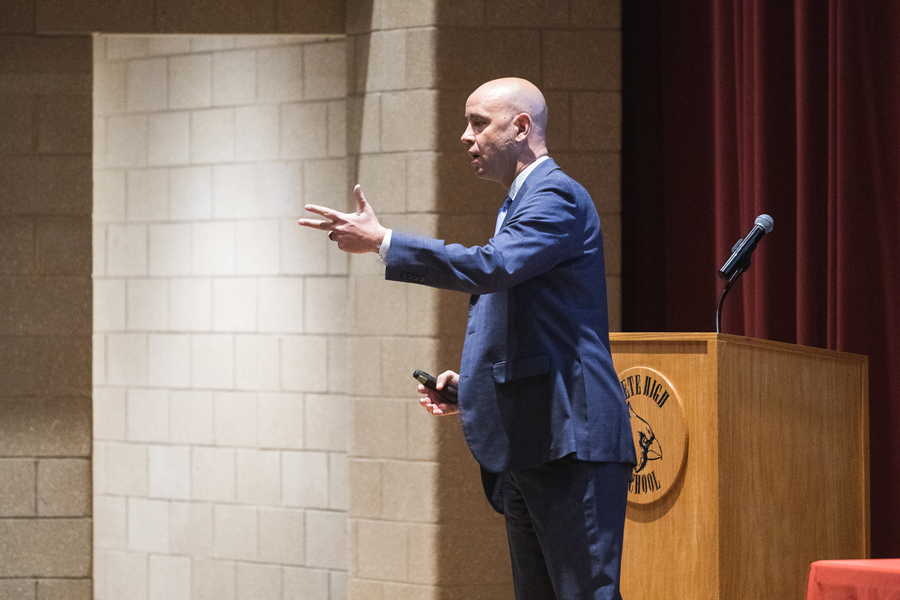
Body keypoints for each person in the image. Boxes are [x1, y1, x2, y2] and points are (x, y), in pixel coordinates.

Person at [298, 77, 636, 600]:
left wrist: (384, 243)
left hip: (573, 442)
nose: (465, 136)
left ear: (521, 127)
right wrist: (472, 384)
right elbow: (530, 319)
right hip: (536, 444)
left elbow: (492, 267)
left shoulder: (557, 197)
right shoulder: (518, 203)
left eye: (479, 123)